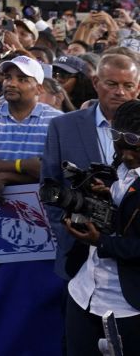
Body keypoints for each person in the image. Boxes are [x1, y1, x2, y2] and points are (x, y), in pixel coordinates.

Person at [44, 52, 140, 280]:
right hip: (78, 256)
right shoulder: (62, 126)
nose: (120, 92)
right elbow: (49, 186)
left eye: (128, 85)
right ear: (96, 83)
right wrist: (69, 233)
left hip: (133, 261)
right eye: (112, 84)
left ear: (137, 88)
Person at [62, 98, 140, 354]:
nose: (127, 155)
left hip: (128, 306)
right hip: (83, 293)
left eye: (136, 149)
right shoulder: (120, 165)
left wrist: (101, 242)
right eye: (119, 143)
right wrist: (105, 196)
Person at [0, 55, 62, 203]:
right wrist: (22, 165)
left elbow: (51, 172)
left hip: (41, 205)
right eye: (8, 77)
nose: (11, 84)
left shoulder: (56, 120)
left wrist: (6, 176)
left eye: (22, 79)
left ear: (39, 89)